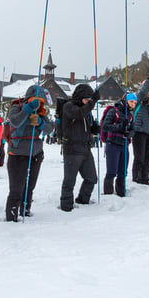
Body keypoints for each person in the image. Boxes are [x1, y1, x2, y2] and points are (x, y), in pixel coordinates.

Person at [5, 86, 53, 220]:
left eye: (40, 101)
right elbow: (14, 121)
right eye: (35, 100)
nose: (38, 103)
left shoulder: (42, 112)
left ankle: (25, 210)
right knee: (16, 188)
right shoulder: (17, 107)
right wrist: (28, 109)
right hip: (18, 154)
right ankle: (12, 215)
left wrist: (41, 123)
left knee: (30, 186)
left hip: (35, 154)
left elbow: (50, 130)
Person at [59, 83, 101, 211]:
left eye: (89, 99)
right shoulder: (68, 107)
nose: (88, 102)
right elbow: (78, 114)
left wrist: (94, 129)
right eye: (86, 99)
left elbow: (84, 121)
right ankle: (66, 206)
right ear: (80, 97)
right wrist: (93, 102)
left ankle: (83, 200)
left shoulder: (86, 111)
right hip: (72, 149)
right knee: (69, 181)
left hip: (85, 149)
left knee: (92, 178)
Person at [101, 92, 136, 197]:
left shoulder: (130, 115)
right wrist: (120, 126)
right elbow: (105, 126)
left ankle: (121, 193)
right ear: (125, 101)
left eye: (134, 103)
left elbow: (133, 130)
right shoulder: (113, 111)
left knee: (122, 172)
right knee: (111, 171)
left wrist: (128, 133)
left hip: (124, 145)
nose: (133, 105)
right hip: (113, 144)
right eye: (131, 102)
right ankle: (108, 195)